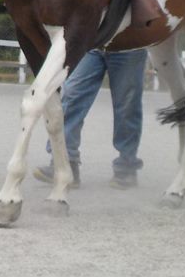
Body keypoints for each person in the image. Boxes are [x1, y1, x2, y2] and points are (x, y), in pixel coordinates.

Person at [33, 48, 148, 189]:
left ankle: (126, 166)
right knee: (72, 95)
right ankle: (65, 164)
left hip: (130, 44)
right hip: (93, 43)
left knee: (127, 105)